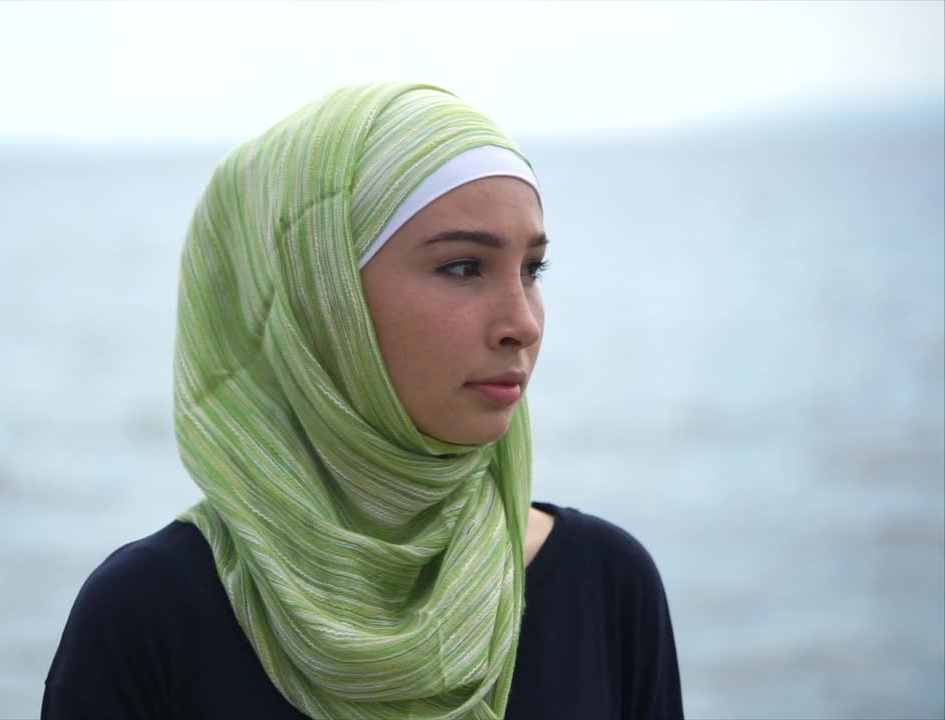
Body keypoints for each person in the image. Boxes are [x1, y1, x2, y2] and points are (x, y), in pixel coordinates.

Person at [42, 82, 683, 719]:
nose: (524, 322)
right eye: (463, 266)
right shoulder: (146, 617)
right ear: (323, 297)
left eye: (532, 269)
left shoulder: (608, 586)